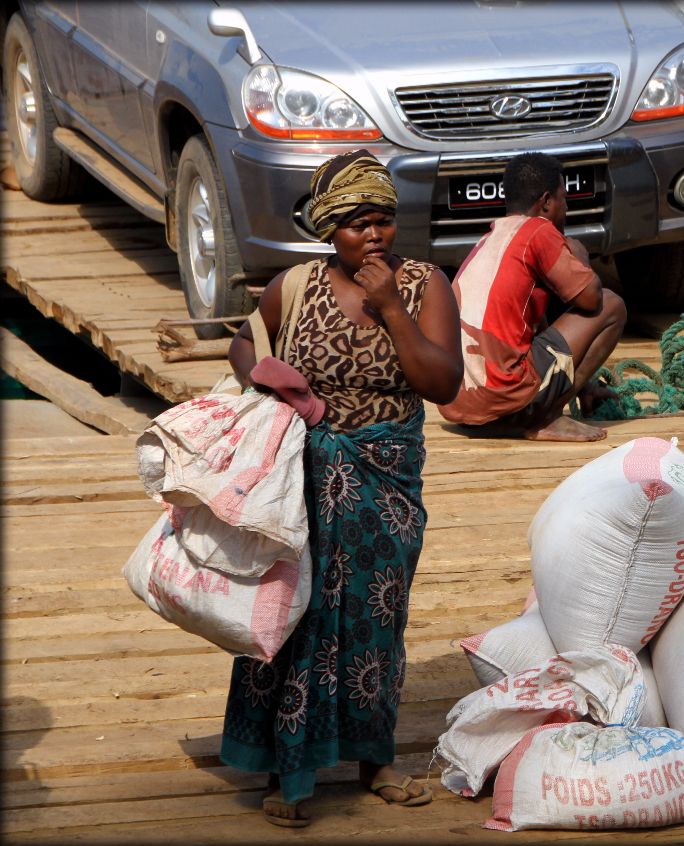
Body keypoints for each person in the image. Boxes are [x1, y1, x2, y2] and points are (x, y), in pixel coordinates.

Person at [223, 149, 463, 827]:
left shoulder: (423, 285)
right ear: (331, 230)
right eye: (358, 224)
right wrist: (266, 375)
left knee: (375, 622)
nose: (375, 235)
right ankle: (282, 762)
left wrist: (391, 308)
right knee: (290, 615)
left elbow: (443, 383)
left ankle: (374, 758)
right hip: (301, 481)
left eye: (383, 220)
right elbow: (245, 345)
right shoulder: (297, 285)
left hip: (384, 486)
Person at [437, 152, 626, 442]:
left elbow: (532, 327)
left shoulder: (492, 237)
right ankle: (547, 417)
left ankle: (542, 403)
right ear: (547, 202)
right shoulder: (538, 230)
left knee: (540, 318)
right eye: (565, 200)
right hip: (501, 397)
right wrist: (582, 259)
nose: (566, 208)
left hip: (459, 405)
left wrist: (586, 386)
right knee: (612, 304)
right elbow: (591, 300)